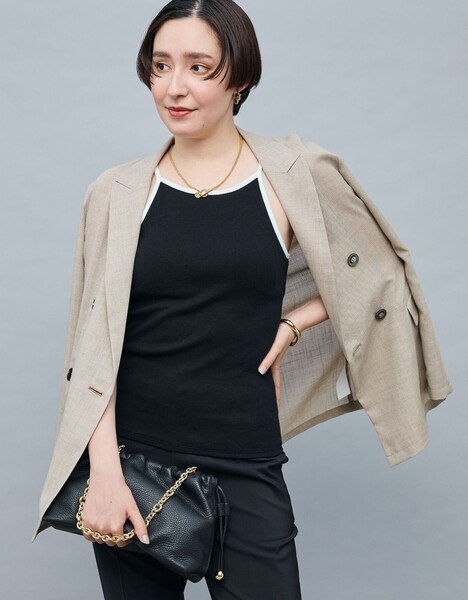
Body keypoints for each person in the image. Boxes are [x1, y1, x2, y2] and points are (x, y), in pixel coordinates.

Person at [32, 1, 453, 598]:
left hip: (245, 458)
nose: (174, 87)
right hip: (133, 464)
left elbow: (376, 270)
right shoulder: (117, 192)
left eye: (199, 67)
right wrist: (103, 472)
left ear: (241, 77)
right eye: (160, 65)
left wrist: (293, 324)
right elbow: (94, 344)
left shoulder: (292, 174)